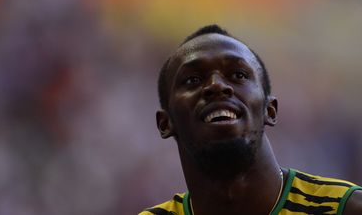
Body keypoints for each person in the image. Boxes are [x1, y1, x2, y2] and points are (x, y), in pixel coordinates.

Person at [139, 24, 362, 215]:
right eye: (193, 79)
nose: (217, 85)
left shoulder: (345, 208)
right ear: (165, 123)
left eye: (238, 75)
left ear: (270, 110)